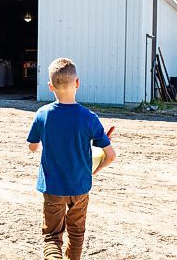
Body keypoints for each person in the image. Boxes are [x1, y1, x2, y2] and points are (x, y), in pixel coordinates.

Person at [27, 57, 116, 260]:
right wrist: (94, 170)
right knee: (76, 233)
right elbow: (110, 156)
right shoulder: (89, 118)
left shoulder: (42, 114)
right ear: (77, 83)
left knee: (52, 237)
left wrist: (42, 143)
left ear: (50, 87)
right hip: (80, 186)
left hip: (52, 188)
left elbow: (32, 147)